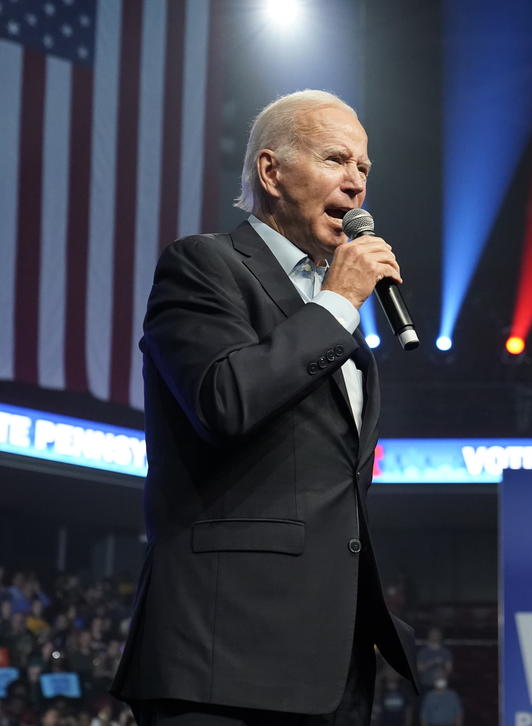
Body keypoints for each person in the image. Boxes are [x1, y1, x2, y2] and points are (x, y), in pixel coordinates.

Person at [110, 90, 418, 725]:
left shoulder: (336, 315)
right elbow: (224, 402)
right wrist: (336, 304)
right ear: (271, 171)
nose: (356, 183)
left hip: (330, 670)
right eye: (336, 159)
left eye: (364, 168)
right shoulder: (205, 266)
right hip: (220, 662)